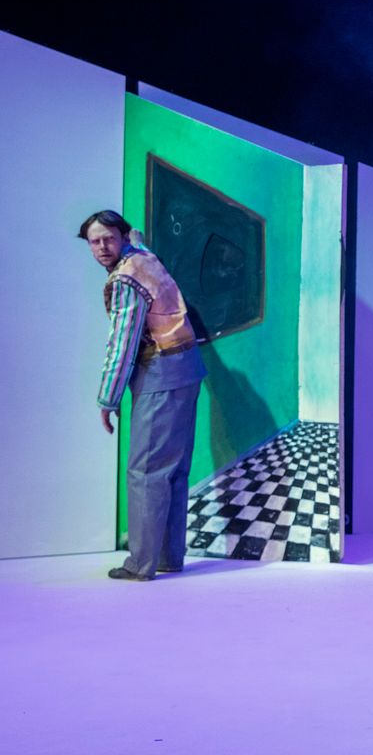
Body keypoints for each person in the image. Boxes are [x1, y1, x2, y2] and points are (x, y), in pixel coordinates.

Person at [80, 210, 208, 581]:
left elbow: (122, 343)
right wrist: (135, 239)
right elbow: (141, 245)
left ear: (121, 238)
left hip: (162, 373)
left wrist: (108, 399)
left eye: (109, 238)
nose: (102, 247)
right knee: (173, 470)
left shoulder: (126, 279)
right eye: (94, 241)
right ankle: (167, 556)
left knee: (146, 471)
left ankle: (140, 564)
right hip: (187, 369)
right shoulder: (143, 257)